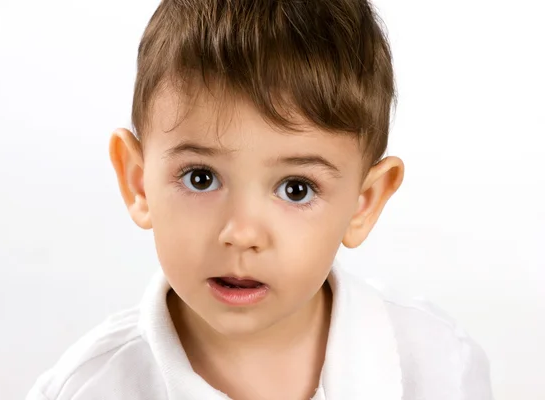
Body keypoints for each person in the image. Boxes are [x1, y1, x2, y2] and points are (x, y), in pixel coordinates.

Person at [27, 0, 493, 398]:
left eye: (296, 189)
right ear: (138, 181)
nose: (242, 233)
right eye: (201, 178)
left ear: (364, 202)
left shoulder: (438, 365)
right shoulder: (87, 388)